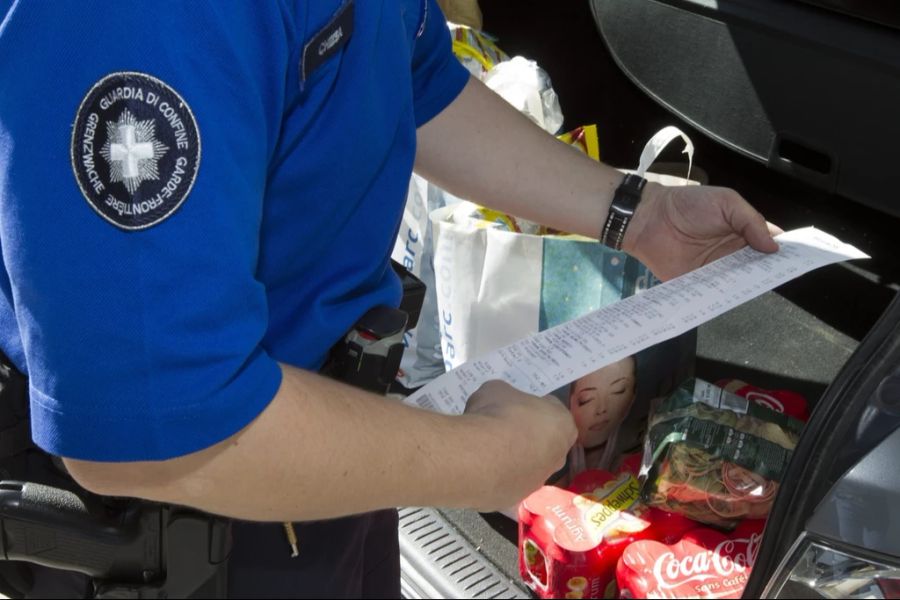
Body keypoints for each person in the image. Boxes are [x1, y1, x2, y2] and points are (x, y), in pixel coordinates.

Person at [0, 1, 780, 597]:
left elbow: (411, 76)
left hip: (331, 450)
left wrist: (633, 213)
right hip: (206, 516)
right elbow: (151, 432)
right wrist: (481, 464)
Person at [567, 357, 636, 480]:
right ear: (570, 405)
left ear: (632, 398)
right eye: (586, 399)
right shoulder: (547, 487)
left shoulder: (636, 466)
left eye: (618, 391)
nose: (602, 408)